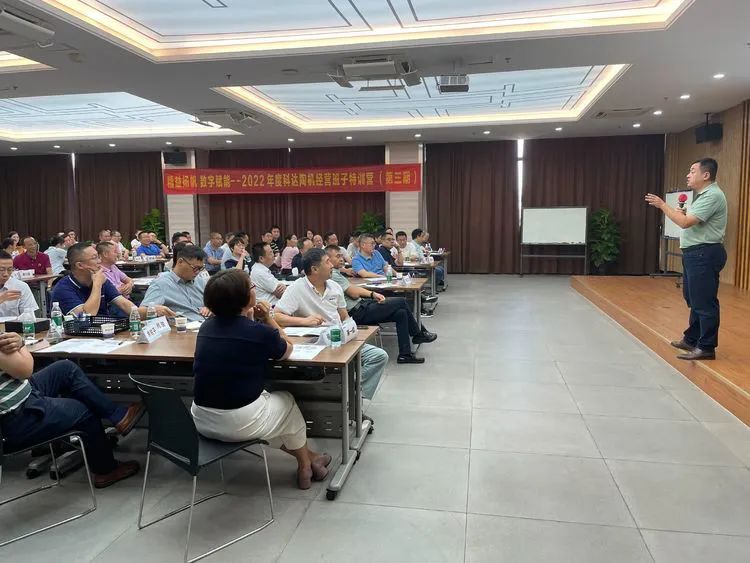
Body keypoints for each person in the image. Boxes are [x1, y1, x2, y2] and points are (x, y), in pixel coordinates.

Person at [190, 269, 331, 489]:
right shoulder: (258, 332)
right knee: (286, 402)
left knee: (271, 415)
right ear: (245, 297)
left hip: (202, 419)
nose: (255, 290)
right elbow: (287, 349)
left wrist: (250, 317)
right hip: (238, 423)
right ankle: (305, 465)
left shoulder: (206, 327)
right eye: (252, 287)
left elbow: (240, 331)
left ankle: (312, 458)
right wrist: (268, 318)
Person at [0, 334, 144, 488]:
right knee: (83, 410)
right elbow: (25, 369)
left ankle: (119, 416)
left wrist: (18, 344)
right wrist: (21, 344)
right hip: (15, 417)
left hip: (22, 392)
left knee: (65, 369)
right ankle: (105, 469)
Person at [274, 248, 388, 400]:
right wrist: (305, 321)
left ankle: (354, 394)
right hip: (315, 342)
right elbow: (276, 316)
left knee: (378, 356)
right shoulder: (297, 288)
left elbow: (344, 317)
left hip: (338, 338)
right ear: (315, 269)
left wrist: (352, 332)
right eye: (327, 262)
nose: (332, 265)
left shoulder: (335, 287)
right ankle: (347, 397)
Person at [646, 157, 728, 360]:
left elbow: (685, 223)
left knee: (704, 302)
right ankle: (691, 339)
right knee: (694, 299)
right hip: (695, 254)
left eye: (692, 171)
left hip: (704, 253)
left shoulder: (712, 195)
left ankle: (706, 347)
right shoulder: (702, 196)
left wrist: (662, 205)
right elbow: (690, 220)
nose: (688, 175)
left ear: (706, 175)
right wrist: (681, 212)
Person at [327, 246, 435, 364]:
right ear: (327, 259)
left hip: (362, 305)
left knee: (401, 313)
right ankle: (418, 333)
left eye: (341, 256)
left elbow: (353, 289)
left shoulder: (337, 273)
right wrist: (372, 294)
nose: (341, 259)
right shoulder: (334, 276)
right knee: (401, 301)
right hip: (356, 313)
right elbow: (353, 293)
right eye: (337, 256)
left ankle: (405, 355)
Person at [51, 243, 174, 318]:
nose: (99, 261)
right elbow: (87, 316)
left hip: (105, 334)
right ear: (80, 265)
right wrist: (97, 285)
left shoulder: (102, 281)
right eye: (94, 258)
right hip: (78, 342)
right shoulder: (63, 288)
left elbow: (127, 307)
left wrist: (152, 310)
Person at [142, 245, 209, 322]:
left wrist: (210, 308)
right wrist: (154, 309)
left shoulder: (200, 281)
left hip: (206, 323)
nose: (197, 272)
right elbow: (140, 312)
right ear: (180, 262)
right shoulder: (161, 283)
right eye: (195, 268)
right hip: (183, 326)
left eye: (201, 268)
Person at [0, 251, 38, 317]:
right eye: (1, 270)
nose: (6, 274)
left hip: (13, 323)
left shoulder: (20, 287)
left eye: (9, 269)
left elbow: (29, 316)